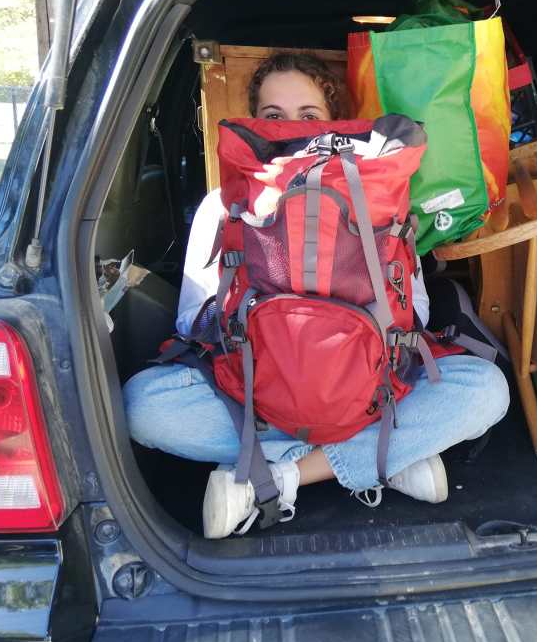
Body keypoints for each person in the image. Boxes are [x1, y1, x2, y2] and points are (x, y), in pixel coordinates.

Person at [123, 52, 510, 539]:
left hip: (368, 391)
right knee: (141, 407)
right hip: (255, 394)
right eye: (274, 116)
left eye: (308, 117)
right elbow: (192, 321)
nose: (292, 128)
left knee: (487, 390)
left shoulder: (382, 201)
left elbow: (412, 315)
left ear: (334, 126)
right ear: (256, 122)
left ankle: (277, 478)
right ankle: (383, 460)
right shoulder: (222, 205)